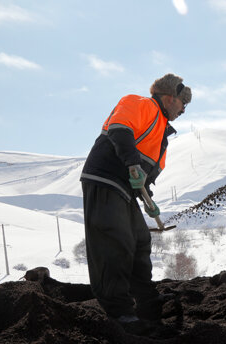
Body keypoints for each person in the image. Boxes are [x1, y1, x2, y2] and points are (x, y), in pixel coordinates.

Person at [80, 73, 191, 323]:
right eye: (183, 102)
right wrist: (132, 165)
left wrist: (148, 199)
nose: (184, 109)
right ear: (169, 96)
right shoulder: (140, 104)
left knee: (140, 242)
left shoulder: (161, 132)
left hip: (126, 190)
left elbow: (143, 174)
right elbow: (120, 130)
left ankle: (146, 302)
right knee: (115, 242)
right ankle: (119, 311)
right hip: (106, 179)